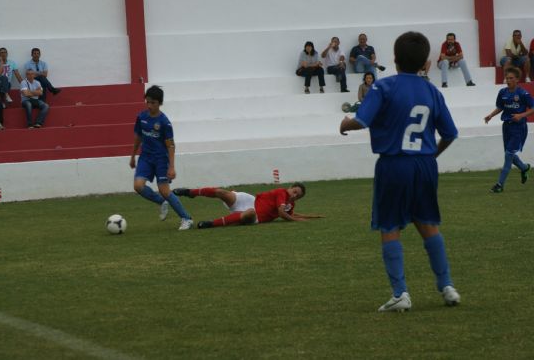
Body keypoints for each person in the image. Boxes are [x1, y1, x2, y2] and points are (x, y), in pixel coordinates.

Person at [340, 31, 461, 312]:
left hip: (394, 163)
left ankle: (400, 294)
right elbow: (450, 134)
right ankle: (447, 286)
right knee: (428, 224)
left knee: (390, 226)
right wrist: (431, 155)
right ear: (424, 63)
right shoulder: (432, 90)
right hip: (425, 165)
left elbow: (362, 120)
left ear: (394, 59)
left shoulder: (384, 87)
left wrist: (344, 124)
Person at [130, 85, 194, 231]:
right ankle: (161, 202)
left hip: (160, 160)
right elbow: (138, 137)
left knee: (164, 190)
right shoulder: (141, 118)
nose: (150, 105)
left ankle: (186, 218)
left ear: (160, 103)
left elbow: (171, 146)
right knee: (138, 186)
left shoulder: (164, 123)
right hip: (145, 157)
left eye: (153, 102)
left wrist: (171, 166)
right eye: (148, 102)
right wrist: (133, 156)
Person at [173, 183, 323, 228]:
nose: (294, 195)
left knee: (249, 213)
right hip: (249, 201)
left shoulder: (290, 204)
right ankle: (190, 192)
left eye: (298, 195)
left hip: (256, 216)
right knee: (221, 192)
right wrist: (298, 221)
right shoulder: (281, 193)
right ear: (290, 187)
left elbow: (290, 214)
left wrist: (312, 216)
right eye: (294, 191)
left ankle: (210, 223)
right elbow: (284, 215)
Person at [484, 67, 533, 193]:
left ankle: (499, 185)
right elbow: (500, 107)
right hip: (506, 126)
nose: (508, 80)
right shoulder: (502, 92)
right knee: (509, 154)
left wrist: (521, 115)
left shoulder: (523, 94)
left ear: (517, 80)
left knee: (508, 155)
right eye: (507, 78)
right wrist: (490, 115)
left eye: (511, 78)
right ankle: (524, 168)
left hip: (519, 127)